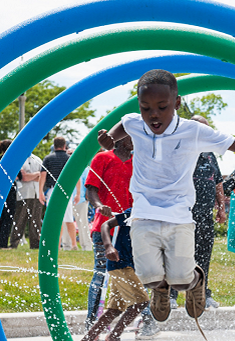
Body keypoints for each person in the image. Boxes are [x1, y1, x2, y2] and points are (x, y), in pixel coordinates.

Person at [97, 69, 235, 323]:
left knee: (181, 279)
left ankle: (196, 280)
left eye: (162, 107)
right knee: (150, 276)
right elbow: (123, 124)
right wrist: (110, 138)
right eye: (146, 108)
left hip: (178, 216)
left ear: (176, 103)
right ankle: (160, 288)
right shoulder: (136, 122)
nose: (153, 114)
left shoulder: (193, 131)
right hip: (143, 214)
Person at [170, 115, 225, 310]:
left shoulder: (210, 153)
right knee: (179, 255)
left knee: (203, 256)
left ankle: (203, 294)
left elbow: (217, 182)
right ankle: (171, 294)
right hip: (182, 216)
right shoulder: (179, 150)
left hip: (205, 216)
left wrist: (221, 207)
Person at [82, 208, 157, 341]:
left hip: (128, 266)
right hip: (121, 264)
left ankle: (89, 338)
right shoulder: (135, 211)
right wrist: (108, 246)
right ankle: (114, 337)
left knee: (115, 309)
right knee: (141, 302)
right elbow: (106, 225)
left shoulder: (156, 215)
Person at [84, 136, 133, 330]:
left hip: (129, 230)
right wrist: (99, 205)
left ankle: (145, 321)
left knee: (138, 275)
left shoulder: (138, 161)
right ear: (121, 138)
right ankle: (91, 321)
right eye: (131, 134)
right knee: (101, 274)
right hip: (104, 226)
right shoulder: (103, 158)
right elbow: (91, 190)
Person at [38, 136, 78, 250]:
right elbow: (76, 177)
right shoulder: (69, 158)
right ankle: (74, 244)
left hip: (52, 190)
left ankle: (57, 245)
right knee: (69, 218)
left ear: (54, 145)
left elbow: (43, 176)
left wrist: (40, 192)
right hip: (67, 191)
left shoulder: (48, 158)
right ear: (65, 145)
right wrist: (78, 193)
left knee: (55, 219)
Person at [9, 153, 43, 249]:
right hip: (23, 194)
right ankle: (14, 243)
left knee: (36, 220)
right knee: (20, 219)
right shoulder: (19, 158)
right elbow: (23, 177)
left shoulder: (37, 159)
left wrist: (30, 176)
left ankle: (35, 245)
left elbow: (42, 177)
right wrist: (36, 174)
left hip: (36, 193)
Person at [0, 139, 17, 249]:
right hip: (9, 192)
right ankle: (2, 244)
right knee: (7, 218)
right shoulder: (10, 160)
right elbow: (19, 176)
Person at [73, 166, 92, 251]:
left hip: (81, 200)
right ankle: (68, 246)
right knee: (67, 224)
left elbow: (88, 184)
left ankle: (87, 246)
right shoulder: (65, 166)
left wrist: (87, 198)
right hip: (68, 200)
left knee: (83, 223)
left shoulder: (85, 168)